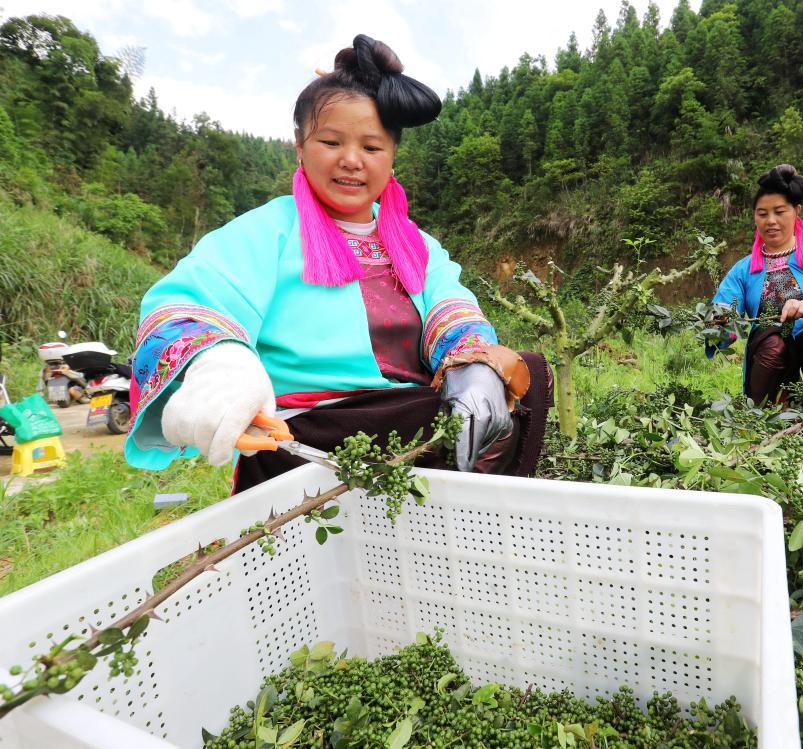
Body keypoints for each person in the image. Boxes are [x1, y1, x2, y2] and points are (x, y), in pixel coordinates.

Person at [125, 35, 551, 489]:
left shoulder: (419, 245)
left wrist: (474, 368)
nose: (351, 161)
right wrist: (220, 365)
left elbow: (455, 312)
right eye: (330, 141)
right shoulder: (264, 232)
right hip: (307, 433)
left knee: (523, 379)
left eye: (371, 148)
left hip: (410, 416)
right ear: (299, 146)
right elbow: (183, 307)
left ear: (392, 158)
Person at [707, 165, 803, 403]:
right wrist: (720, 322)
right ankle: (764, 412)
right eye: (762, 213)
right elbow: (725, 311)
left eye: (779, 211)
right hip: (771, 361)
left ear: (796, 211)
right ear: (754, 216)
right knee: (773, 341)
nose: (771, 221)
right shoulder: (743, 270)